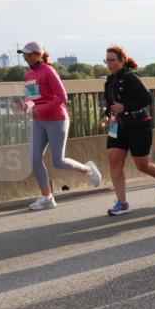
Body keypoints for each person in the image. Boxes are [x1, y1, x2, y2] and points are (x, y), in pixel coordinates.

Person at [19, 41, 101, 210]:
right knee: (34, 159)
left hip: (57, 119)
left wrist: (40, 109)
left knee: (58, 161)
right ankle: (47, 197)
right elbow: (30, 97)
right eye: (24, 55)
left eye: (28, 54)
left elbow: (62, 97)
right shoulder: (28, 75)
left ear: (38, 55)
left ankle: (88, 170)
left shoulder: (48, 71)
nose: (25, 57)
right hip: (39, 121)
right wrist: (27, 105)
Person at [101, 45, 155, 215]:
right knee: (114, 160)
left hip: (138, 124)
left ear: (122, 60)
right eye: (107, 60)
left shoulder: (130, 77)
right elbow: (110, 103)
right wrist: (105, 115)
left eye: (112, 60)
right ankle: (122, 202)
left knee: (142, 165)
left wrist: (124, 106)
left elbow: (146, 98)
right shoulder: (109, 81)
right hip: (118, 126)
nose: (109, 64)